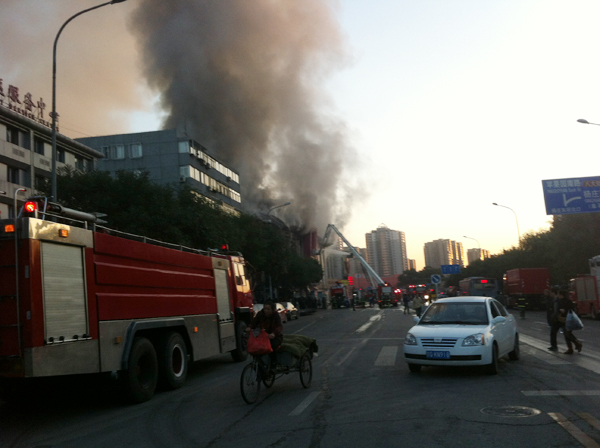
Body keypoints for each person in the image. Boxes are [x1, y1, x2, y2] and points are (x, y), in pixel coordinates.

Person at [246, 300, 283, 365]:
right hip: (262, 336)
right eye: (265, 309)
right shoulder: (260, 314)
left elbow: (279, 326)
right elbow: (254, 322)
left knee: (272, 346)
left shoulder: (276, 315)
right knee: (255, 346)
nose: (266, 311)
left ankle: (273, 364)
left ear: (272, 309)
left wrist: (273, 334)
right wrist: (250, 327)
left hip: (275, 337)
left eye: (268, 309)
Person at [548, 288, 583, 354]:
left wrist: (563, 311)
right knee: (567, 334)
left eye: (559, 294)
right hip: (564, 319)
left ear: (561, 295)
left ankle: (575, 345)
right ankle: (572, 346)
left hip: (565, 319)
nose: (558, 295)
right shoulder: (564, 301)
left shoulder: (564, 301)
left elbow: (566, 310)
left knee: (567, 334)